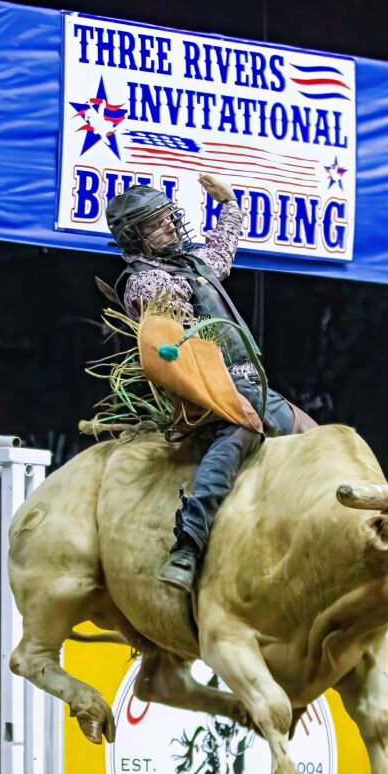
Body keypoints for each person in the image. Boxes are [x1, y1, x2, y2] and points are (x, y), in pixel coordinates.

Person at [107, 174, 297, 592]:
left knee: (312, 435)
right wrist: (224, 397)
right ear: (136, 238)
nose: (172, 225)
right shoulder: (148, 281)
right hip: (204, 389)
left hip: (249, 380)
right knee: (241, 431)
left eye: (169, 216)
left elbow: (222, 248)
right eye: (158, 223)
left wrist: (229, 203)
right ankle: (188, 544)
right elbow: (174, 350)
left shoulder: (193, 264)